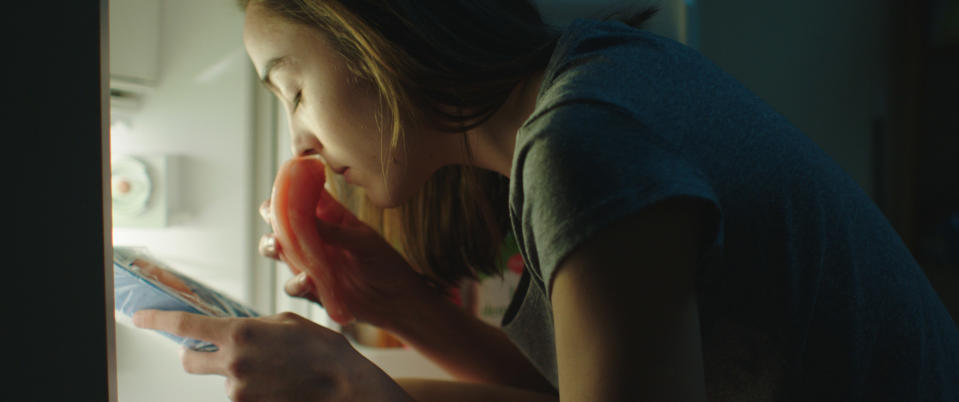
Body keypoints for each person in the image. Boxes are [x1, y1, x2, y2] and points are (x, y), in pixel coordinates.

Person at [133, 0, 959, 401]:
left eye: (292, 89)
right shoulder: (596, 75)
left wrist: (357, 389)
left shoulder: (581, 146)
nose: (299, 141)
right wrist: (402, 305)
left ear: (371, 36)